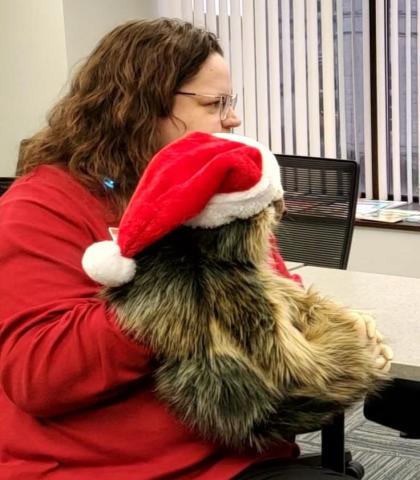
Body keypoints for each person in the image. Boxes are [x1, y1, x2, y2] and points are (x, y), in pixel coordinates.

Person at [0, 18, 390, 480]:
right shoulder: (40, 204)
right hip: (105, 467)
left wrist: (327, 329)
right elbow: (39, 377)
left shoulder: (211, 199)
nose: (233, 118)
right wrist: (176, 282)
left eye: (231, 102)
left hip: (238, 453)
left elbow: (270, 297)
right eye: (214, 103)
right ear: (138, 107)